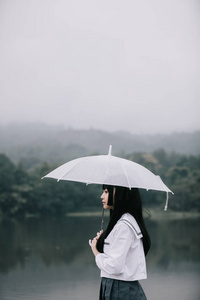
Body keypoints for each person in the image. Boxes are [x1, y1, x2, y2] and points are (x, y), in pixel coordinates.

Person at [90, 185, 151, 300]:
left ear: (119, 194)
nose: (101, 196)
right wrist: (104, 241)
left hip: (119, 288)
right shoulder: (123, 222)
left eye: (106, 192)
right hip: (116, 286)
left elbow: (114, 267)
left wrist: (96, 252)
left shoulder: (124, 225)